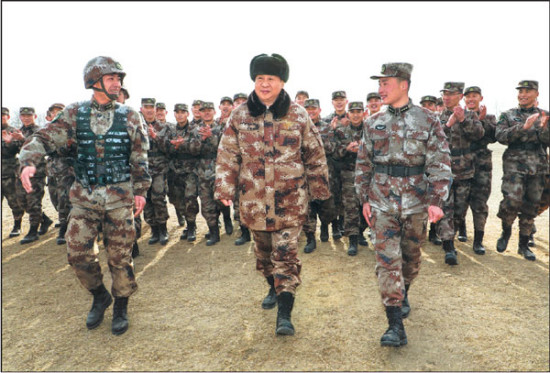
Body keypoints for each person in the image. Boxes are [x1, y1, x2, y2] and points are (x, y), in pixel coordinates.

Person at [19, 56, 151, 335]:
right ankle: (99, 296)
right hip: (85, 197)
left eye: (119, 79)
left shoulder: (130, 115)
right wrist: (29, 161)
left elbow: (140, 156)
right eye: (112, 78)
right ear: (94, 81)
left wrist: (140, 191)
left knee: (120, 257)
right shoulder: (74, 112)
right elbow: (43, 137)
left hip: (119, 199)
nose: (117, 83)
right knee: (77, 254)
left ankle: (120, 306)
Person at [215, 53, 330, 336]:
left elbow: (315, 155)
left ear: (282, 82)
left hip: (290, 201)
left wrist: (322, 195)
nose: (265, 84)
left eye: (271, 79)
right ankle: (272, 286)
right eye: (260, 79)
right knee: (264, 255)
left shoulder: (299, 114)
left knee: (286, 257)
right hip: (254, 202)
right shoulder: (240, 115)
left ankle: (284, 313)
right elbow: (227, 154)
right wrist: (224, 187)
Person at [356, 63, 452, 347]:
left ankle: (404, 289)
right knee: (387, 261)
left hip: (416, 202)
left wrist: (436, 200)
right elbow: (363, 164)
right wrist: (364, 199)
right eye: (379, 83)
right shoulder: (372, 122)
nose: (380, 89)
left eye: (386, 83)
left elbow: (440, 161)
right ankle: (395, 324)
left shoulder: (428, 120)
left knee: (410, 258)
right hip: (381, 201)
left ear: (403, 85)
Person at [495, 80, 549, 261]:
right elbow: (500, 136)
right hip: (514, 166)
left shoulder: (546, 116)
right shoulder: (508, 115)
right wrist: (523, 127)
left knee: (531, 205)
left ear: (536, 94)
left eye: (527, 91)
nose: (523, 94)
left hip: (538, 167)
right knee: (512, 200)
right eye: (521, 91)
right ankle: (506, 232)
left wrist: (543, 130)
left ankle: (523, 244)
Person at [437, 82, 484, 265]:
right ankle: (449, 247)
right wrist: (448, 124)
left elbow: (479, 134)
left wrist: (463, 120)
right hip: (443, 171)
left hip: (464, 171)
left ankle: (451, 237)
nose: (446, 97)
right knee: (445, 209)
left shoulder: (470, 115)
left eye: (451, 94)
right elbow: (432, 138)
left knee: (459, 211)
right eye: (444, 94)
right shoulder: (436, 117)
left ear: (459, 96)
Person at [461, 86, 497, 254]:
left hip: (481, 166)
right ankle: (460, 232)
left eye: (474, 96)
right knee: (460, 201)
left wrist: (481, 121)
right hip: (461, 165)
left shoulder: (490, 117)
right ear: (464, 99)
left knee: (480, 203)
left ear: (480, 98)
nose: (471, 99)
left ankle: (478, 241)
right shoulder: (460, 116)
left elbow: (493, 136)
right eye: (468, 97)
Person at [302, 98, 337, 253]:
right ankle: (310, 239)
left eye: (313, 108)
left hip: (323, 176)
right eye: (308, 109)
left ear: (319, 110)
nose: (311, 111)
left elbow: (330, 148)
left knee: (327, 209)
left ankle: (325, 225)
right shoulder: (299, 128)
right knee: (307, 209)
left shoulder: (327, 128)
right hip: (305, 176)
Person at [334, 101, 369, 256]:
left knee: (367, 207)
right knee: (350, 207)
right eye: (353, 112)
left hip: (367, 175)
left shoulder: (370, 129)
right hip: (348, 174)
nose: (356, 114)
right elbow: (334, 152)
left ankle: (361, 231)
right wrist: (346, 149)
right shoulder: (341, 131)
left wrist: (365, 149)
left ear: (363, 113)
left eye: (358, 111)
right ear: (348, 114)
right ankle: (352, 240)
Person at [16, 107, 54, 243]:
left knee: (33, 202)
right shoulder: (18, 131)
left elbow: (38, 149)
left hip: (36, 172)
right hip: (21, 172)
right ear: (20, 117)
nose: (26, 118)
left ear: (35, 116)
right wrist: (12, 141)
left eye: (29, 115)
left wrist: (22, 139)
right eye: (24, 116)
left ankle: (33, 231)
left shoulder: (40, 131)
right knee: (21, 201)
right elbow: (17, 151)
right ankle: (45, 220)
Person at [189, 102, 225, 245]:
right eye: (204, 111)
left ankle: (227, 220)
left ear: (214, 112)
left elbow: (225, 148)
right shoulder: (195, 130)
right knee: (206, 203)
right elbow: (192, 150)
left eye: (209, 110)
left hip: (219, 170)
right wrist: (201, 140)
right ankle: (214, 232)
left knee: (221, 201)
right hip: (203, 172)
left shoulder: (221, 128)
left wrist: (211, 137)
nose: (207, 113)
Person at [163, 103, 200, 241]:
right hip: (175, 171)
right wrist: (172, 145)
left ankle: (191, 226)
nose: (180, 115)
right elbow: (164, 145)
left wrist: (182, 144)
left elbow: (197, 147)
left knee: (190, 198)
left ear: (187, 114)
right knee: (177, 199)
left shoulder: (194, 129)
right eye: (177, 112)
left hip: (190, 170)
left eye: (182, 112)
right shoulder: (170, 130)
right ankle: (187, 222)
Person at [142, 98, 171, 245]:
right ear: (141, 109)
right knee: (146, 199)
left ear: (155, 109)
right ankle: (153, 229)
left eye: (151, 107)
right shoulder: (137, 125)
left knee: (158, 198)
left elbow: (168, 148)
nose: (149, 109)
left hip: (159, 168)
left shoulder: (164, 127)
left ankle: (163, 229)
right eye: (145, 107)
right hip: (143, 168)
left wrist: (155, 137)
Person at [117, 87, 141, 258]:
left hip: (128, 172)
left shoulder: (132, 117)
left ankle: (133, 243)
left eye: (120, 95)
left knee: (130, 210)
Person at [323, 90, 349, 239]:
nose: (339, 102)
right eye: (336, 100)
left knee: (345, 197)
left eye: (342, 99)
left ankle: (342, 224)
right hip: (331, 164)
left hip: (347, 165)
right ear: (332, 102)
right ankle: (333, 225)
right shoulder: (326, 120)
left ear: (346, 101)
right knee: (332, 195)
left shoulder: (353, 118)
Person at [232, 92, 252, 246]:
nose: (239, 104)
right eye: (236, 102)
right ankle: (244, 232)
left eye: (242, 101)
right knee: (239, 202)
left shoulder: (256, 120)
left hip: (254, 170)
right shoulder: (230, 123)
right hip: (236, 169)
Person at [1, 107, 25, 237]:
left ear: (8, 117)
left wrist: (10, 143)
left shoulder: (14, 132)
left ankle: (17, 225)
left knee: (14, 201)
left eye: (3, 115)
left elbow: (21, 150)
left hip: (9, 173)